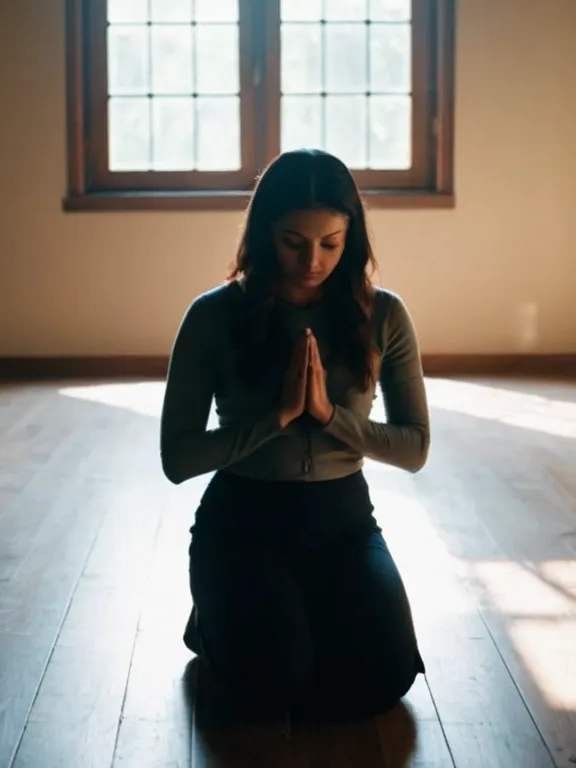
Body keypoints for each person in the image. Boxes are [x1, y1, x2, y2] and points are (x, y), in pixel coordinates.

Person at [158, 148, 431, 725]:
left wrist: (330, 415)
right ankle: (209, 623)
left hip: (345, 526)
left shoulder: (383, 314)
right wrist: (275, 418)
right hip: (243, 525)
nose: (312, 260)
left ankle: (291, 615)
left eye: (330, 243)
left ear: (351, 236)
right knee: (275, 686)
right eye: (293, 241)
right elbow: (178, 458)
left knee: (384, 676)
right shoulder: (213, 315)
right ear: (263, 233)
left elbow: (415, 448)